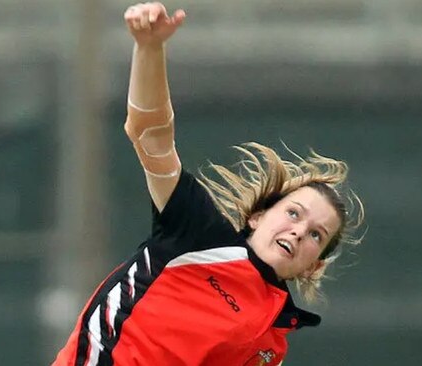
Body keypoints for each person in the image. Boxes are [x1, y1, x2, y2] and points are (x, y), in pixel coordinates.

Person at [52, 2, 364, 365]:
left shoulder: (272, 344)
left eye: (316, 235)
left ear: (315, 267)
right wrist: (150, 48)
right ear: (258, 216)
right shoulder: (198, 234)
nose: (298, 232)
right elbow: (150, 134)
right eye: (294, 213)